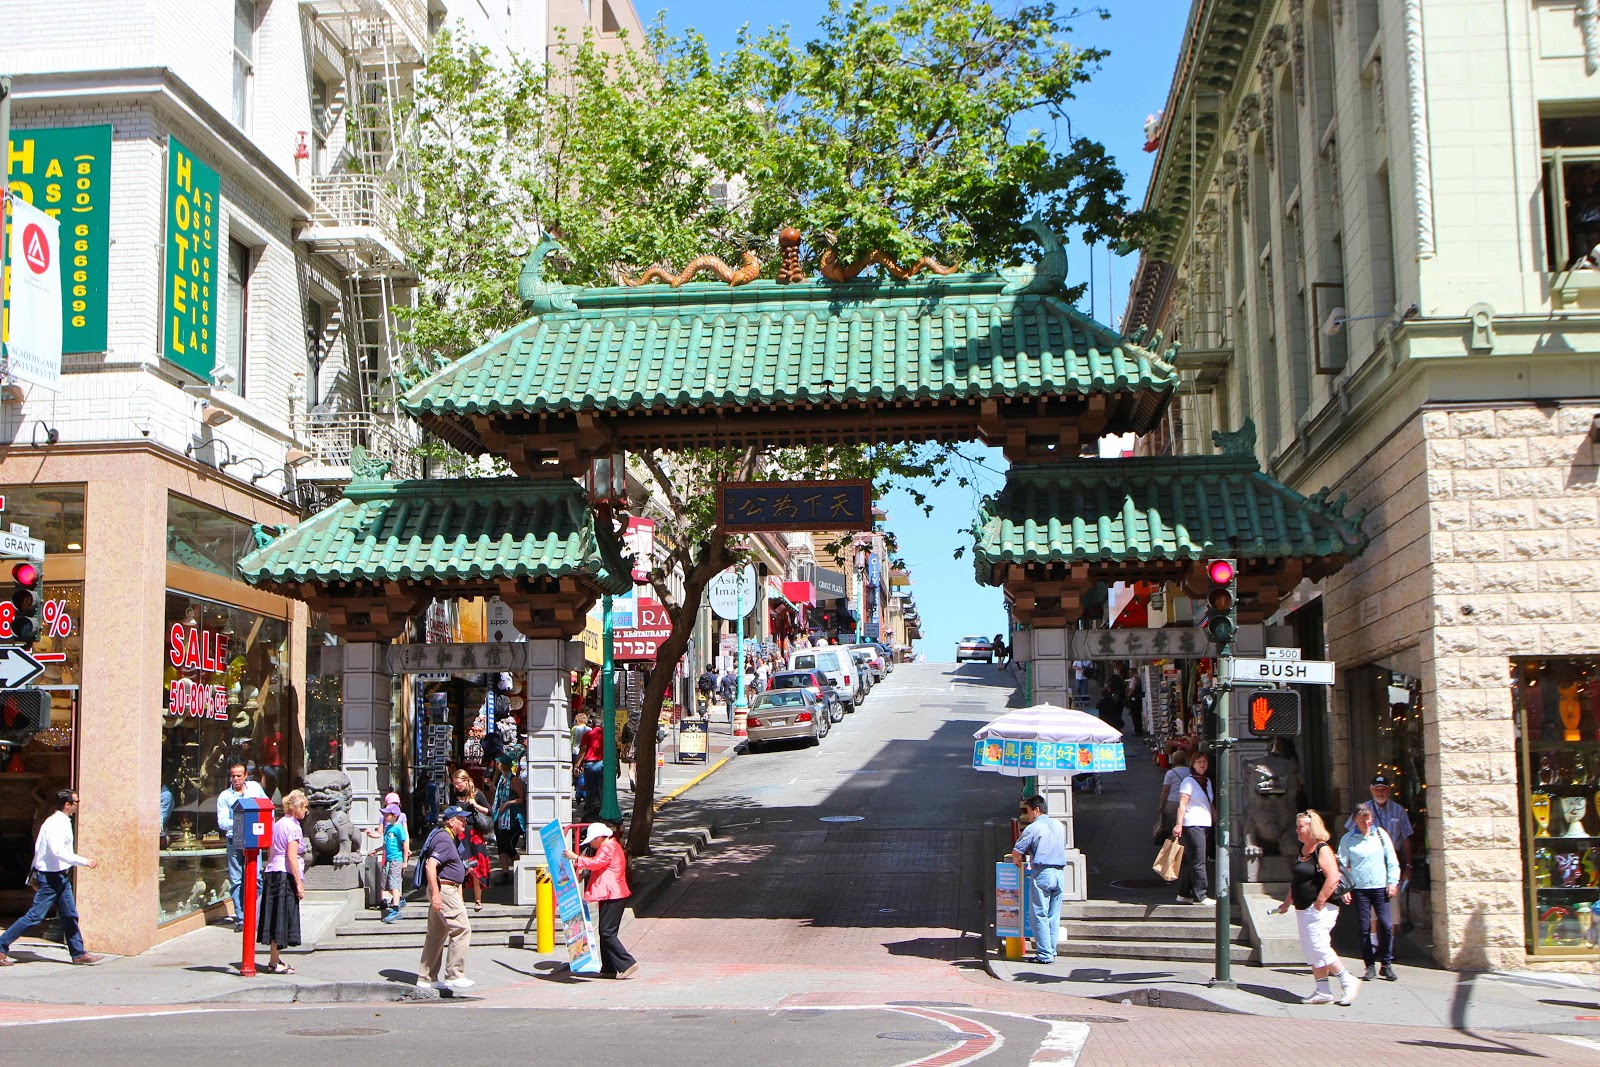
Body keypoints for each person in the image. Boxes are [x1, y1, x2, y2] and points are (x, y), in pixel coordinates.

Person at [0, 789, 101, 966]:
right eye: (76, 802)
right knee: (35, 916)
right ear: (67, 805)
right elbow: (57, 852)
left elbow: (40, 851)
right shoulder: (55, 824)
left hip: (60, 877)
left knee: (70, 914)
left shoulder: (61, 822)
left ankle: (78, 953)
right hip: (52, 878)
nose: (78, 805)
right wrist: (84, 861)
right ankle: (1, 945)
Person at [1276, 810, 1361, 1006]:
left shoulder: (1321, 849)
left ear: (1312, 827)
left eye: (1301, 826)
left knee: (1319, 946)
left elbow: (1333, 878)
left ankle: (1347, 979)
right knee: (1311, 949)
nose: (1297, 830)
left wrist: (1319, 902)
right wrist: (1287, 902)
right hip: (1303, 908)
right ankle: (1322, 990)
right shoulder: (1303, 849)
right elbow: (1297, 880)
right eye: (1297, 826)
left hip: (1321, 908)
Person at [565, 822, 638, 978]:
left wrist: (576, 857)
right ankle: (609, 967)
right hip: (612, 894)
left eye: (592, 840)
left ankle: (627, 963)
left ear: (599, 837)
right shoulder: (612, 846)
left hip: (613, 894)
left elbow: (597, 863)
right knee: (606, 932)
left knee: (606, 932)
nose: (591, 843)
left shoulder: (608, 847)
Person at [1338, 803, 1401, 981]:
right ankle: (1370, 965)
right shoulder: (1348, 839)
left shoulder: (1380, 835)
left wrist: (1393, 882)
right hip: (1361, 889)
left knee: (1386, 925)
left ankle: (1386, 963)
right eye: (1361, 819)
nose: (1365, 822)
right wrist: (1344, 888)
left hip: (1380, 887)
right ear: (1355, 820)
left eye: (1368, 818)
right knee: (1364, 928)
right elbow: (1341, 865)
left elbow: (1392, 860)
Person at [417, 806, 474, 991]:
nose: (464, 821)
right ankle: (454, 974)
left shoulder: (447, 838)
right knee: (462, 929)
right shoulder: (444, 838)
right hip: (444, 890)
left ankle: (427, 977)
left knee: (436, 935)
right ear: (450, 821)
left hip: (445, 889)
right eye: (460, 819)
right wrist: (436, 894)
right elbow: (430, 865)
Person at [1010, 794, 1067, 964]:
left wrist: (1016, 860)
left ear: (1036, 809)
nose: (1027, 815)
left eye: (1028, 811)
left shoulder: (1033, 828)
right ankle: (1051, 949)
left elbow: (1017, 851)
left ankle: (1044, 954)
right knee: (1053, 915)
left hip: (1042, 872)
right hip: (1060, 873)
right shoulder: (1059, 825)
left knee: (1039, 914)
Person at [256, 789, 308, 974]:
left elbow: (271, 851)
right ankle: (274, 961)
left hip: (273, 871)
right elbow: (292, 857)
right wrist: (299, 884)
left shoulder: (277, 824)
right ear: (295, 808)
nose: (306, 811)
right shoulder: (293, 827)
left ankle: (274, 959)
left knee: (274, 916)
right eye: (304, 807)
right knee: (281, 917)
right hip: (284, 873)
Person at [217, 761, 269, 932]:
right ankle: (241, 918)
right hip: (234, 841)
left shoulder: (254, 788)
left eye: (239, 775)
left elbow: (267, 807)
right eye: (233, 776)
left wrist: (264, 825)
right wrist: (242, 822)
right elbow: (223, 822)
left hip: (254, 840)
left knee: (256, 878)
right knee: (237, 880)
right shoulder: (225, 796)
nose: (236, 779)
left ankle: (258, 914)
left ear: (246, 775)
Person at [1171, 752, 1215, 905]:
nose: (1202, 764)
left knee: (1194, 860)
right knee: (1199, 861)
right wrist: (1178, 823)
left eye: (1204, 761)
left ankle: (1183, 893)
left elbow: (1209, 803)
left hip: (1205, 823)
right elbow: (1182, 803)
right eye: (1198, 761)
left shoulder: (1207, 781)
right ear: (1193, 764)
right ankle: (1201, 894)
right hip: (1192, 823)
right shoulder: (1188, 781)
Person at [450, 769, 493, 911]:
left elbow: (490, 811)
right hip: (460, 835)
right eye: (454, 783)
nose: (456, 786)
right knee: (461, 866)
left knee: (476, 868)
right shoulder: (454, 795)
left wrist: (475, 805)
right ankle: (460, 900)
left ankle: (478, 900)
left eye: (458, 783)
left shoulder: (477, 793)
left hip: (474, 834)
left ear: (466, 781)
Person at [492, 755, 527, 885]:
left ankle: (520, 869)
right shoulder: (502, 779)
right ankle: (505, 873)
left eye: (498, 764)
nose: (496, 767)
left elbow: (521, 798)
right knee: (501, 845)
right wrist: (491, 786)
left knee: (508, 845)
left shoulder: (514, 780)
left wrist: (508, 803)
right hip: (500, 817)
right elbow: (498, 796)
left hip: (512, 818)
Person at [379, 803, 410, 923]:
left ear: (395, 816)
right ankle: (399, 900)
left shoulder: (398, 828)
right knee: (386, 884)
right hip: (388, 859)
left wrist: (405, 860)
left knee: (394, 883)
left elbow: (405, 843)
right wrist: (376, 850)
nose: (385, 816)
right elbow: (386, 845)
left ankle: (395, 909)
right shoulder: (388, 829)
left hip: (396, 859)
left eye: (388, 814)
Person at [1155, 748, 1191, 845]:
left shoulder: (1170, 773)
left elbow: (1165, 790)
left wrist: (1161, 804)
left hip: (1173, 801)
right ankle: (1185, 847)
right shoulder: (1190, 771)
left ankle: (1176, 847)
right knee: (1187, 824)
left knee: (1174, 825)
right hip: (1188, 800)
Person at [579, 715, 605, 820]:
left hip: (590, 765)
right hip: (603, 764)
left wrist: (577, 765)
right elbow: (613, 751)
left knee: (590, 789)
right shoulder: (607, 735)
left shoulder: (588, 735)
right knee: (602, 788)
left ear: (593, 724)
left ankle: (589, 808)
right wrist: (617, 766)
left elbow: (583, 751)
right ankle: (603, 809)